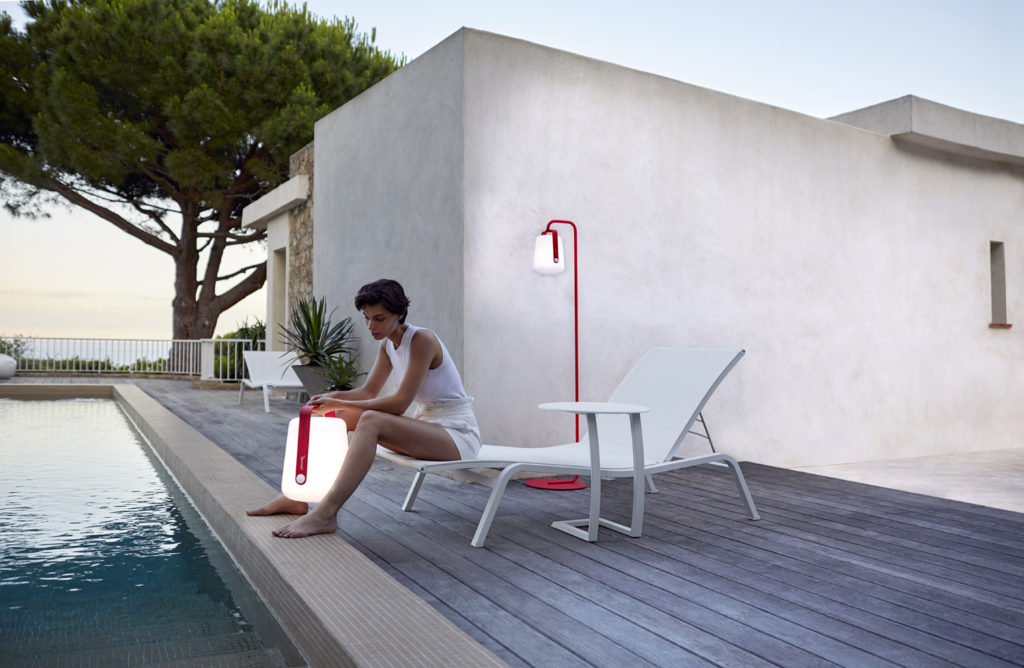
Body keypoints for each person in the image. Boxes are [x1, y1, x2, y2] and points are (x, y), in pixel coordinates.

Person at [247, 279, 481, 538]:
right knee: (327, 415)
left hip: (455, 435)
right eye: (367, 319)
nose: (372, 326)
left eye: (379, 318)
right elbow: (368, 392)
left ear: (399, 313)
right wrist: (332, 397)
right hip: (425, 426)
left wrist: (342, 402)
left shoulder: (422, 340)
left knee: (370, 420)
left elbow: (400, 403)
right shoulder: (388, 346)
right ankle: (297, 496)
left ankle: (326, 514)